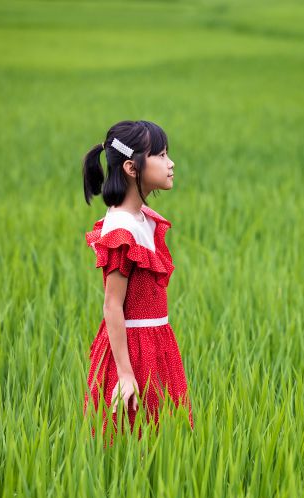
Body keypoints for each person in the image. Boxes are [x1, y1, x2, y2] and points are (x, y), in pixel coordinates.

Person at [81, 120, 193, 441]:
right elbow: (112, 305)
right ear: (132, 167)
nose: (170, 163)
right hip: (131, 351)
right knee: (133, 443)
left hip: (158, 343)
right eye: (160, 155)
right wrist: (126, 374)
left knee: (166, 441)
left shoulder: (142, 219)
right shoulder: (121, 229)